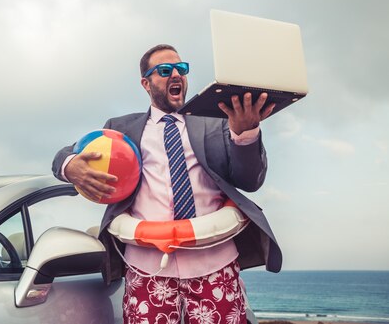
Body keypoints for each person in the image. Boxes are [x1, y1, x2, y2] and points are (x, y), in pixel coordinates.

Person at [52, 44, 282, 324]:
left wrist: (245, 132)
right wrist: (69, 165)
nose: (176, 74)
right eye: (164, 70)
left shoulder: (218, 122)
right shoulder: (122, 129)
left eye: (181, 69)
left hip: (215, 264)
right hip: (147, 270)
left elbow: (251, 180)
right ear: (145, 83)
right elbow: (66, 153)